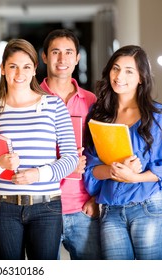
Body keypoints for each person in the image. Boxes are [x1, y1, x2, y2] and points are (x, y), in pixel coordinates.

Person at [0, 38, 79, 260]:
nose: (19, 73)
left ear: (34, 70)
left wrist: (37, 174)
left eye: (26, 66)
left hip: (46, 208)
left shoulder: (54, 106)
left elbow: (70, 159)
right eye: (13, 66)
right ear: (2, 69)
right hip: (2, 209)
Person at [84, 45, 162, 260]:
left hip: (147, 207)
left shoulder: (157, 116)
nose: (119, 76)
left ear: (141, 78)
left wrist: (135, 177)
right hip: (110, 210)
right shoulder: (98, 115)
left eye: (129, 71)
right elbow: (91, 168)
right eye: (116, 68)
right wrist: (112, 171)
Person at [40, 29, 101, 259]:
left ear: (77, 58)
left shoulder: (91, 100)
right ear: (45, 57)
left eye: (69, 52)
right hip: (43, 207)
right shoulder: (32, 98)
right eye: (55, 52)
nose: (62, 59)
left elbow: (101, 153)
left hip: (83, 208)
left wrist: (96, 199)